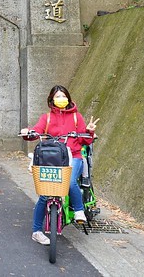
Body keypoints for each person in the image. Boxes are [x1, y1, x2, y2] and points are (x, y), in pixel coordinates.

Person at [20, 85, 99, 246]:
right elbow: (37, 131)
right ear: (51, 100)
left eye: (63, 96)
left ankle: (78, 211)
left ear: (68, 98)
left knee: (69, 181)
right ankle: (37, 231)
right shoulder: (47, 118)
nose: (61, 99)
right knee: (44, 195)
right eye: (57, 96)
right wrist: (28, 132)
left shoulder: (77, 117)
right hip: (52, 159)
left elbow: (85, 140)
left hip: (73, 156)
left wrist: (89, 131)